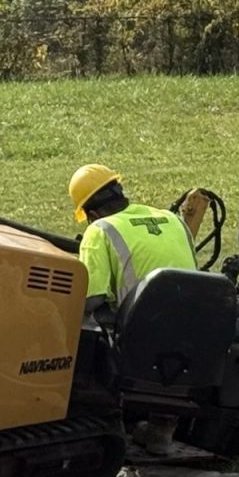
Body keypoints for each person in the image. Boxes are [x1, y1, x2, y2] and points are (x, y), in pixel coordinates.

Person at [68, 164, 197, 456]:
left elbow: (90, 300)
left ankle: (104, 426)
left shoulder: (99, 230)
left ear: (90, 213)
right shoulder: (173, 220)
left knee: (82, 330)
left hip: (142, 342)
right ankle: (161, 432)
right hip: (193, 336)